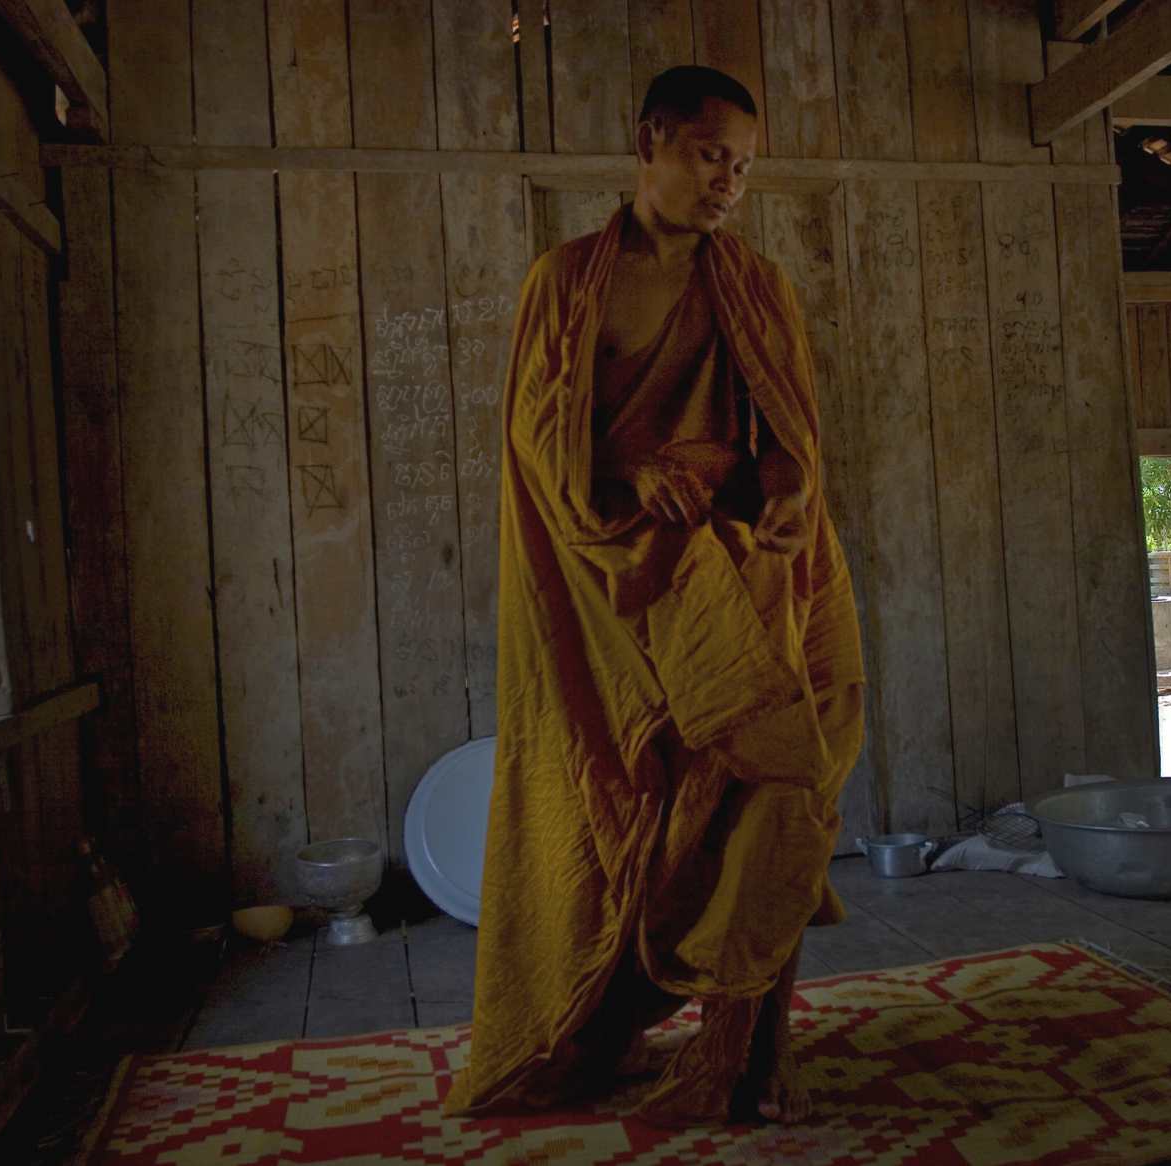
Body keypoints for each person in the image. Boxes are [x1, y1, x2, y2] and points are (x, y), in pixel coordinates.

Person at [440, 65, 865, 1127]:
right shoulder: (569, 280)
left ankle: (748, 1049)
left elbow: (792, 443)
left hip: (737, 582)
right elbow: (543, 450)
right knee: (626, 817)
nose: (729, 182)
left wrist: (780, 487)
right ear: (652, 139)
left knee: (777, 785)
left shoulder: (756, 286)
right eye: (712, 155)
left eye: (744, 166)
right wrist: (636, 478)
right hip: (615, 592)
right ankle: (588, 1033)